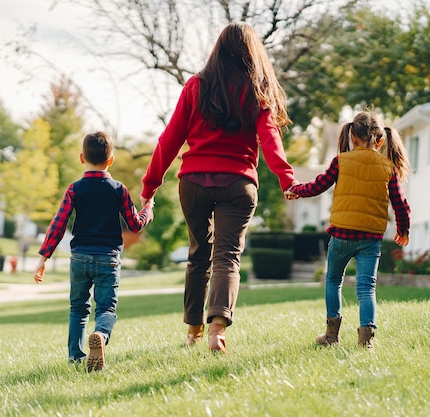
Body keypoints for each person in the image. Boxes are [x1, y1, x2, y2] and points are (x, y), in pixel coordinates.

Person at [140, 22, 297, 354]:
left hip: (194, 183)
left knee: (198, 256)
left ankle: (193, 330)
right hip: (238, 184)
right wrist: (286, 179)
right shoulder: (256, 90)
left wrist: (150, 186)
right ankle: (217, 329)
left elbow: (169, 140)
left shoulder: (196, 86)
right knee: (228, 256)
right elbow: (270, 139)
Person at [288, 110, 411, 350]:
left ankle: (331, 336)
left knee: (333, 281)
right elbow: (400, 204)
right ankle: (367, 341)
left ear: (352, 137)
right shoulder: (388, 168)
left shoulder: (340, 161)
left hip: (341, 235)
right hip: (370, 239)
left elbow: (317, 186)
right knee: (367, 288)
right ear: (380, 140)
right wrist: (403, 229)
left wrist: (297, 189)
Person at [34, 131, 153, 371]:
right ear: (111, 160)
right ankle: (100, 334)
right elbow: (134, 224)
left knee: (78, 308)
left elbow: (58, 223)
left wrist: (43, 257)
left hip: (79, 258)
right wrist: (147, 209)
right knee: (106, 308)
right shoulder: (118, 189)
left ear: (81, 158)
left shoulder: (74, 189)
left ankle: (75, 358)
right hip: (108, 258)